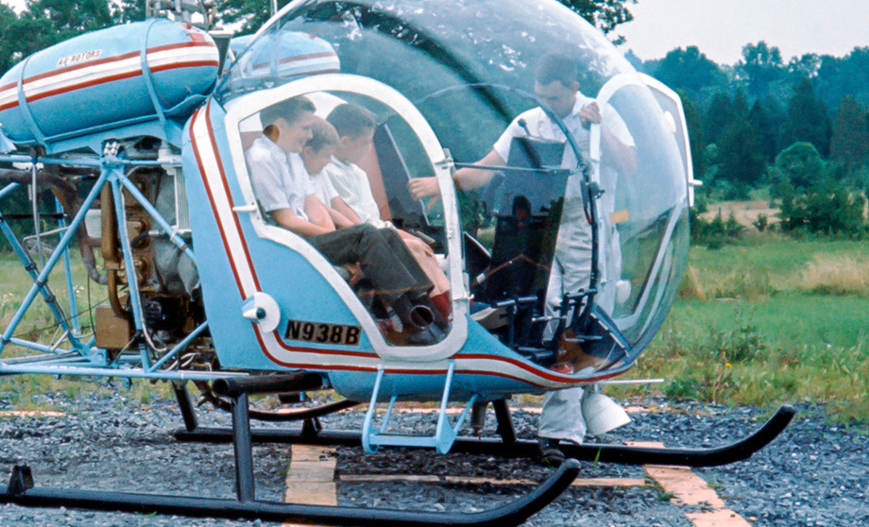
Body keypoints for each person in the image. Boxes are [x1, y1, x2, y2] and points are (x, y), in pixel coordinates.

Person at [408, 52, 635, 462]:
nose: (548, 103)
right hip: (539, 234)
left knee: (580, 322)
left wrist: (598, 127)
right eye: (541, 95)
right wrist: (443, 182)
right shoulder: (528, 122)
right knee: (547, 317)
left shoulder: (601, 116)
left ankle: (574, 420)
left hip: (589, 234)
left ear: (573, 86)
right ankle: (561, 431)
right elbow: (486, 169)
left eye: (555, 96)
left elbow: (629, 165)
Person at [247, 96, 445, 345]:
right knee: (365, 235)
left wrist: (341, 243)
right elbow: (285, 219)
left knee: (386, 235)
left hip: (309, 239)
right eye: (305, 127)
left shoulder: (291, 157)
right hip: (289, 244)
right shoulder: (262, 158)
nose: (309, 135)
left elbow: (314, 204)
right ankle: (412, 324)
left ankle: (431, 318)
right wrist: (340, 242)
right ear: (280, 125)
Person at [317, 103, 451, 303]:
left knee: (425, 250)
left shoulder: (358, 174)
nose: (370, 147)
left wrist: (414, 238)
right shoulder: (328, 172)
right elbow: (353, 223)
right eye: (366, 142)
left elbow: (374, 221)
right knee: (414, 250)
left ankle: (453, 307)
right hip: (360, 243)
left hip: (375, 235)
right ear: (344, 142)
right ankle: (440, 312)